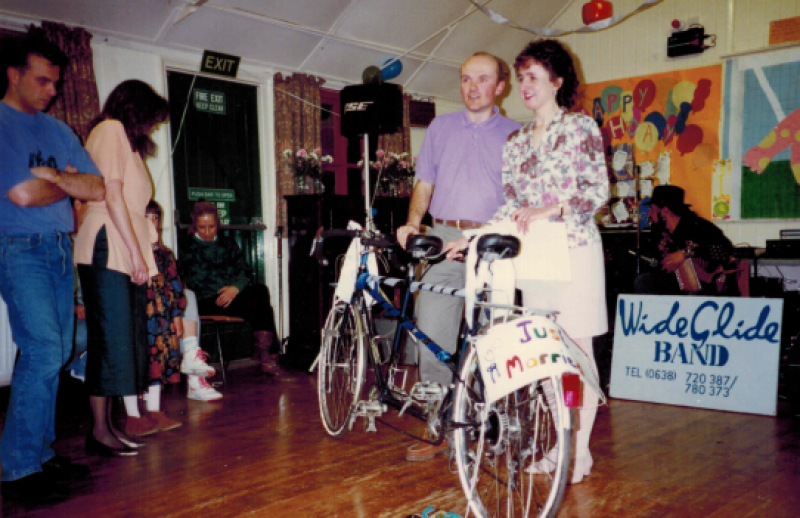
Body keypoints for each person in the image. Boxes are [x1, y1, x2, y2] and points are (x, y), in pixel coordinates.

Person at [446, 39, 609, 484]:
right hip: (536, 257)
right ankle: (558, 448)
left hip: (574, 251)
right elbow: (511, 206)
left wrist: (550, 209)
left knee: (576, 355)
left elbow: (596, 193)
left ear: (557, 81)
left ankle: (578, 453)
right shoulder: (516, 142)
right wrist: (471, 237)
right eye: (521, 79)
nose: (525, 86)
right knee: (543, 355)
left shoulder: (580, 129)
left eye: (534, 77)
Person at [395, 52, 521, 461]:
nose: (472, 87)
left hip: (492, 240)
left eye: (482, 79)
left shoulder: (518, 134)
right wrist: (414, 224)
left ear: (500, 86)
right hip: (444, 236)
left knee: (491, 337)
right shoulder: (439, 126)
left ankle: (484, 426)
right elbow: (424, 183)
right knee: (431, 334)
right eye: (466, 79)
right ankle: (437, 425)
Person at [0, 33, 105, 502]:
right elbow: (20, 194)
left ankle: (40, 456)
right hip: (18, 248)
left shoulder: (61, 130)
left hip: (60, 250)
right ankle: (18, 471)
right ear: (14, 74)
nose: (51, 91)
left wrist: (54, 179)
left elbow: (98, 187)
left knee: (55, 352)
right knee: (43, 351)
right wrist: (69, 182)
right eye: (42, 81)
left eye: (56, 83)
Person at [74, 79, 169, 457]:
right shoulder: (110, 129)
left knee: (119, 341)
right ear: (135, 109)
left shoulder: (126, 143)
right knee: (109, 341)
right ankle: (99, 431)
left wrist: (139, 253)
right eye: (151, 119)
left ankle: (107, 427)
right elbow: (111, 196)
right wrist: (134, 253)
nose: (152, 128)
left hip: (121, 245)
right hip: (108, 244)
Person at [178, 201, 291, 379]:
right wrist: (230, 287)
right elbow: (196, 281)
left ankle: (263, 352)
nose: (207, 232)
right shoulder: (187, 247)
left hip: (231, 297)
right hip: (206, 300)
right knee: (260, 303)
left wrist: (235, 288)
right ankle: (267, 353)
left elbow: (245, 271)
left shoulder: (227, 243)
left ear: (218, 224)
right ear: (194, 225)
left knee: (261, 291)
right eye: (202, 227)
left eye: (211, 226)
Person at [122, 200, 187, 437]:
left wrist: (177, 316)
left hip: (162, 318)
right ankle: (132, 414)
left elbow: (176, 285)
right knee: (135, 361)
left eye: (155, 219)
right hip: (139, 317)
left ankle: (154, 409)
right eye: (146, 218)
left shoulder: (165, 254)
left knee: (159, 361)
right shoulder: (129, 253)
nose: (151, 223)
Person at [634, 185, 741, 296]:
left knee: (696, 295)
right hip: (678, 284)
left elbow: (724, 249)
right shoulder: (658, 232)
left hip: (708, 286)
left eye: (652, 208)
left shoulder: (698, 226)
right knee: (643, 281)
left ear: (665, 211)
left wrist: (684, 254)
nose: (649, 213)